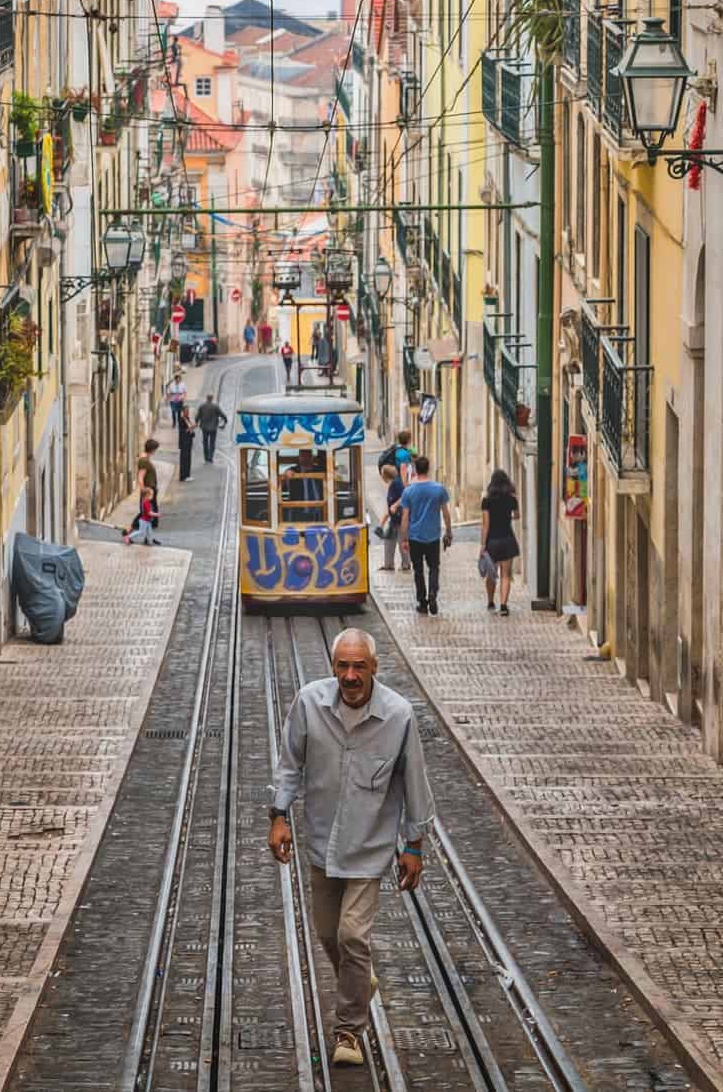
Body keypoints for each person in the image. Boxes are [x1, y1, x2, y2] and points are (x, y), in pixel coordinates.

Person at [268, 628, 434, 1067]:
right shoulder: (309, 703)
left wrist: (413, 846)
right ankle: (361, 982)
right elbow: (289, 764)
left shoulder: (398, 716)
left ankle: (348, 1030)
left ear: (374, 668)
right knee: (327, 934)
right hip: (322, 842)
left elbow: (414, 781)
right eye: (342, 665)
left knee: (351, 936)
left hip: (369, 848)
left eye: (359, 666)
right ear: (333, 666)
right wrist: (278, 816)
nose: (350, 675)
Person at [400, 455, 452, 615]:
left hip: (415, 537)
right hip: (433, 536)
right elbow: (446, 513)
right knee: (434, 567)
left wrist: (404, 539)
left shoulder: (408, 491)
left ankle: (422, 602)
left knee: (418, 570)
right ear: (428, 468)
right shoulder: (438, 489)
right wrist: (449, 531)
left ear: (415, 470)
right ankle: (433, 593)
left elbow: (405, 517)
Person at [480, 469, 520, 616]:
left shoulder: (486, 501)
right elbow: (517, 516)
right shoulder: (511, 499)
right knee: (506, 574)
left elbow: (485, 525)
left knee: (491, 574)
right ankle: (503, 605)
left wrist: (483, 545)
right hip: (508, 539)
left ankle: (491, 602)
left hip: (492, 541)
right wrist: (509, 515)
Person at [124, 438, 161, 541]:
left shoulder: (145, 458)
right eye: (155, 449)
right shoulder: (144, 461)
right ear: (152, 449)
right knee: (146, 513)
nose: (155, 451)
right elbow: (140, 477)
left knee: (148, 515)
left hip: (151, 490)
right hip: (148, 491)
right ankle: (129, 532)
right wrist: (145, 491)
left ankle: (148, 538)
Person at [376, 465, 410, 572]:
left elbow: (405, 495)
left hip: (401, 518)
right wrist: (381, 525)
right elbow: (388, 509)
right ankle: (388, 565)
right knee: (388, 539)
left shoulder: (397, 483)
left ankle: (406, 564)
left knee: (402, 542)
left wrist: (395, 505)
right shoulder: (392, 485)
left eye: (382, 474)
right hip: (394, 519)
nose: (381, 477)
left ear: (385, 475)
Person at [281, 449, 325, 521]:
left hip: (320, 510)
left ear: (312, 457)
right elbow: (282, 484)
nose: (305, 458)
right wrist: (286, 474)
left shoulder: (320, 470)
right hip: (299, 511)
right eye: (303, 455)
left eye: (308, 455)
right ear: (299, 457)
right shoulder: (293, 470)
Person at [195, 393, 227, 463]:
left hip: (204, 428)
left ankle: (206, 457)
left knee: (205, 442)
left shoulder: (202, 406)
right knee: (212, 442)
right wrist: (225, 420)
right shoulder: (215, 406)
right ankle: (210, 457)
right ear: (212, 398)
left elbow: (198, 416)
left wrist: (196, 422)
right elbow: (222, 414)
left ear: (207, 398)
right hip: (213, 428)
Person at [178, 405, 196, 482]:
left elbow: (189, 429)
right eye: (186, 411)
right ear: (183, 412)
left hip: (188, 442)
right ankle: (183, 476)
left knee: (188, 458)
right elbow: (183, 431)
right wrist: (191, 428)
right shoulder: (181, 420)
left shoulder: (187, 419)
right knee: (184, 459)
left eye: (188, 411)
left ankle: (187, 475)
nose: (187, 412)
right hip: (184, 442)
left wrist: (192, 428)